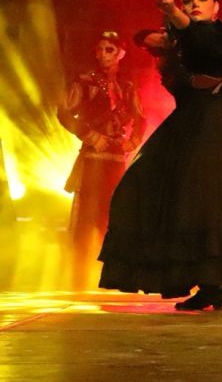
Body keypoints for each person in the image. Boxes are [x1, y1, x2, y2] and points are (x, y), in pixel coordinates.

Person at [98, 0, 222, 311]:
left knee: (205, 202)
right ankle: (200, 281)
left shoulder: (219, 36)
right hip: (186, 124)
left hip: (216, 126)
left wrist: (173, 13)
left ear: (217, 7)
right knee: (146, 190)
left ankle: (211, 284)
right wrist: (171, 28)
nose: (194, 3)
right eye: (188, 0)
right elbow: (147, 41)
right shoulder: (178, 43)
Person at [57, 31, 145, 284]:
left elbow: (140, 118)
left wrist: (133, 141)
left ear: (121, 53)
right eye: (99, 49)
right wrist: (90, 135)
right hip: (93, 158)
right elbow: (63, 112)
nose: (103, 54)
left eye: (109, 49)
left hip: (117, 159)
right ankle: (79, 275)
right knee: (86, 217)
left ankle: (111, 274)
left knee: (114, 215)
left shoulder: (127, 86)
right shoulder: (84, 81)